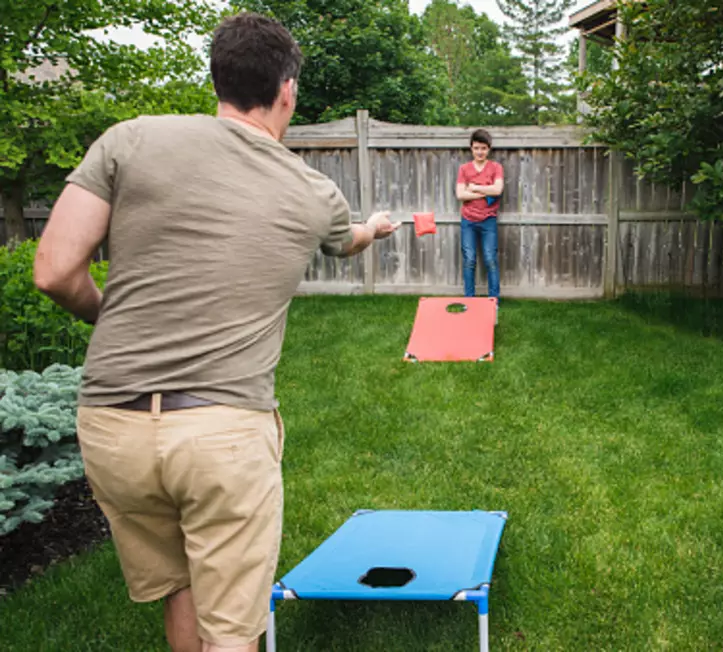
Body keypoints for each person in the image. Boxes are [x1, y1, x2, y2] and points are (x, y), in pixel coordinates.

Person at [32, 12, 399, 652]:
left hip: (112, 428)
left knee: (183, 588)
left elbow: (56, 270)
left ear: (218, 80)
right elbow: (348, 241)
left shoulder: (129, 140)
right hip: (220, 435)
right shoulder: (313, 193)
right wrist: (375, 228)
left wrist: (108, 315)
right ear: (288, 89)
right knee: (231, 629)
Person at [455, 129, 503, 301]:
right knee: (469, 260)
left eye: (483, 148)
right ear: (471, 148)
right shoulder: (464, 169)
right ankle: (469, 300)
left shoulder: (496, 168)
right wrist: (485, 192)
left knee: (490, 259)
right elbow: (460, 195)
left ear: (488, 149)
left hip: (488, 220)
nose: (480, 152)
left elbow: (498, 189)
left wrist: (474, 187)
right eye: (476, 148)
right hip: (468, 220)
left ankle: (493, 300)